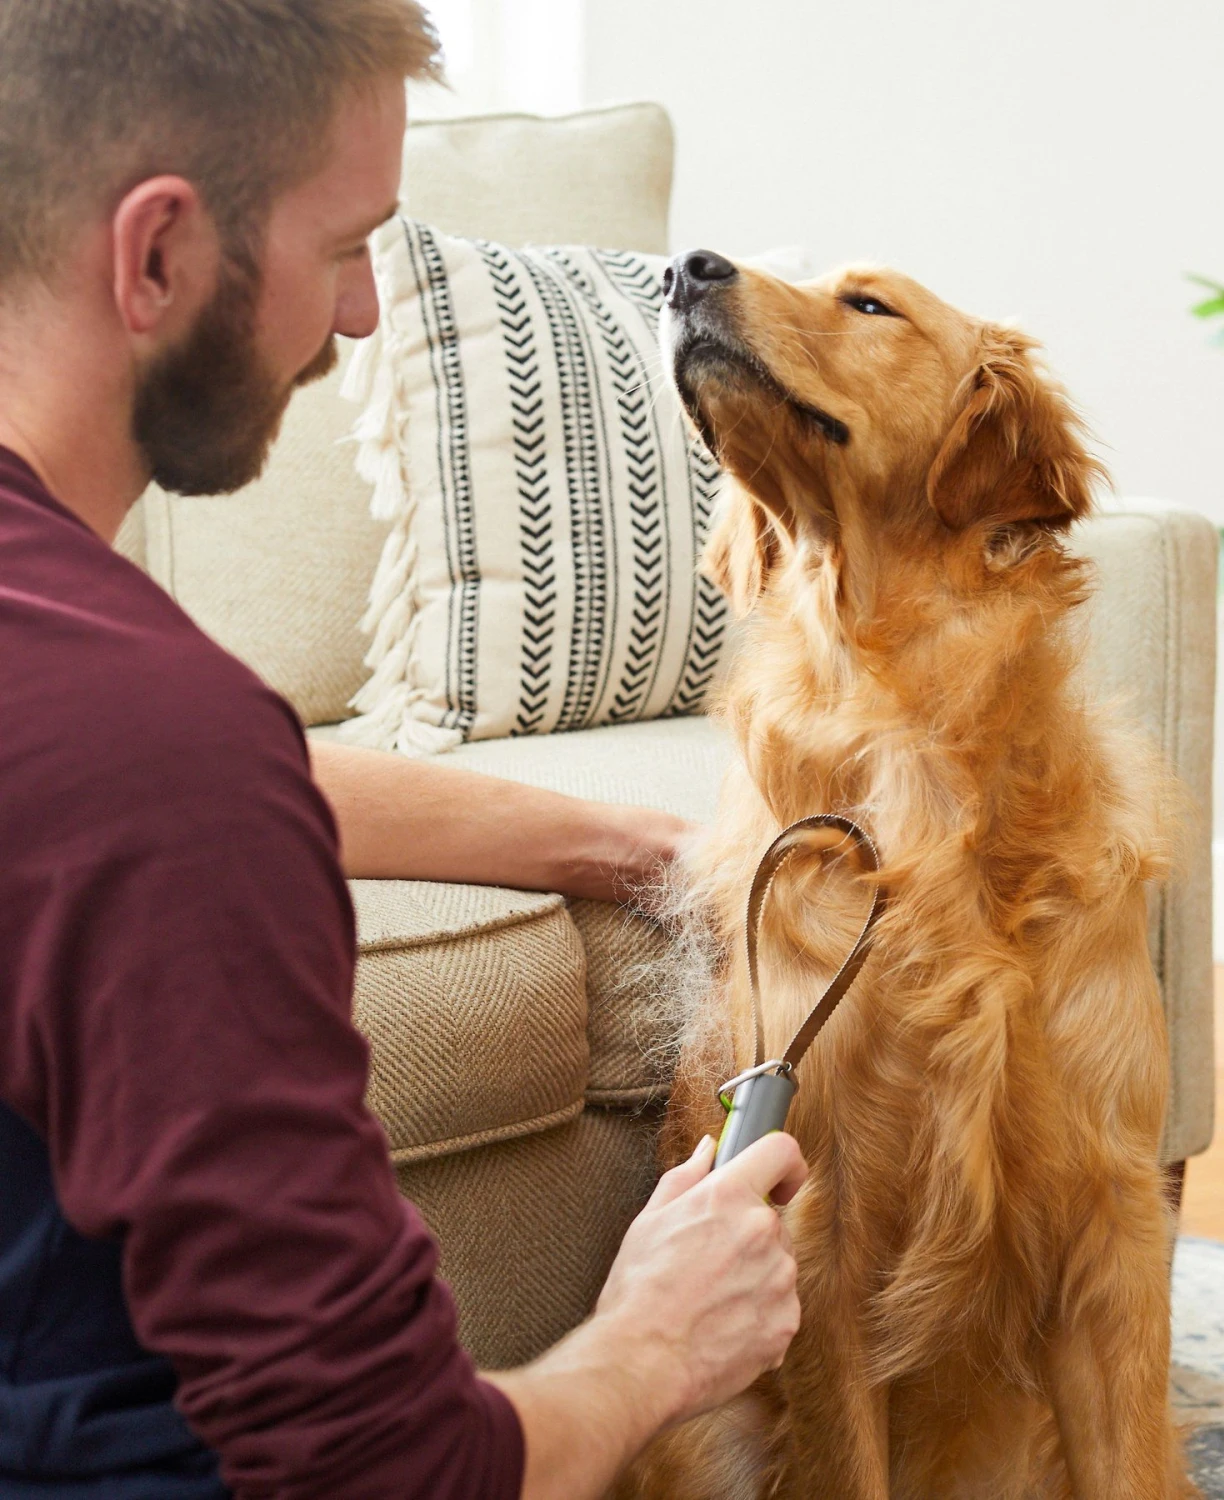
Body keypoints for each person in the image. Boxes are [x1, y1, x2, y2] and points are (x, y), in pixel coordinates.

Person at [0, 4, 807, 1498]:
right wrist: (653, 1340)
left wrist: (627, 846)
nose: (366, 311)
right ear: (158, 253)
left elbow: (131, 788)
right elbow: (392, 1474)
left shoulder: (90, 727)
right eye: (346, 245)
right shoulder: (148, 758)